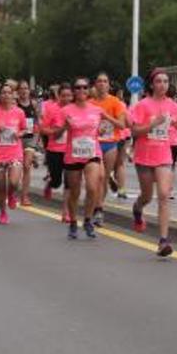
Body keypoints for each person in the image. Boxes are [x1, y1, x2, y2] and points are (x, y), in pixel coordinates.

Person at [130, 68, 177, 257]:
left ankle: (163, 241)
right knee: (147, 196)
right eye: (159, 81)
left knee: (163, 195)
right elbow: (135, 131)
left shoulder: (174, 105)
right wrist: (153, 124)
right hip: (144, 156)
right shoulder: (142, 105)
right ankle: (138, 208)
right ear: (152, 84)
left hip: (164, 155)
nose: (163, 85)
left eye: (166, 81)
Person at [54, 78, 107, 240]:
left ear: (89, 89)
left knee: (92, 187)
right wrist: (65, 127)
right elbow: (56, 135)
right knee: (74, 192)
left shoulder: (96, 110)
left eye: (85, 87)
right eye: (77, 87)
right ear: (74, 91)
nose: (81, 90)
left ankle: (88, 220)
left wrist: (103, 130)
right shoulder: (65, 110)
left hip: (92, 154)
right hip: (73, 155)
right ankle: (73, 222)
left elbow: (107, 128)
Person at [0, 83, 27, 226]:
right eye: (3, 93)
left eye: (9, 92)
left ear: (13, 95)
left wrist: (18, 134)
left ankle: (11, 194)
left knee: (13, 182)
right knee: (1, 186)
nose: (6, 95)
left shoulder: (19, 112)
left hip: (15, 152)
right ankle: (3, 212)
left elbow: (25, 130)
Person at [89, 73, 129, 220]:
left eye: (105, 81)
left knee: (104, 178)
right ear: (95, 84)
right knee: (95, 178)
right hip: (93, 144)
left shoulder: (115, 102)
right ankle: (96, 206)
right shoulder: (90, 103)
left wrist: (106, 117)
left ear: (108, 85)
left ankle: (99, 207)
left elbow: (122, 125)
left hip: (110, 143)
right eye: (99, 81)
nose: (102, 84)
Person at [40, 84, 72, 216]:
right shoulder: (52, 109)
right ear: (59, 96)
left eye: (69, 95)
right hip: (55, 150)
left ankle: (65, 211)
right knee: (56, 182)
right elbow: (43, 129)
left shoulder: (75, 109)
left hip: (71, 150)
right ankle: (50, 183)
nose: (66, 98)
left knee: (69, 182)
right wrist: (57, 130)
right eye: (63, 95)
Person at [15, 80, 39, 206]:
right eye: (22, 89)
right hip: (17, 138)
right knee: (16, 167)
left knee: (26, 166)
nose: (24, 91)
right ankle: (14, 190)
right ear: (18, 91)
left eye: (26, 88)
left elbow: (38, 121)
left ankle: (24, 196)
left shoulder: (34, 104)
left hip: (30, 138)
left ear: (29, 91)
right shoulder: (15, 105)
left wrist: (37, 137)